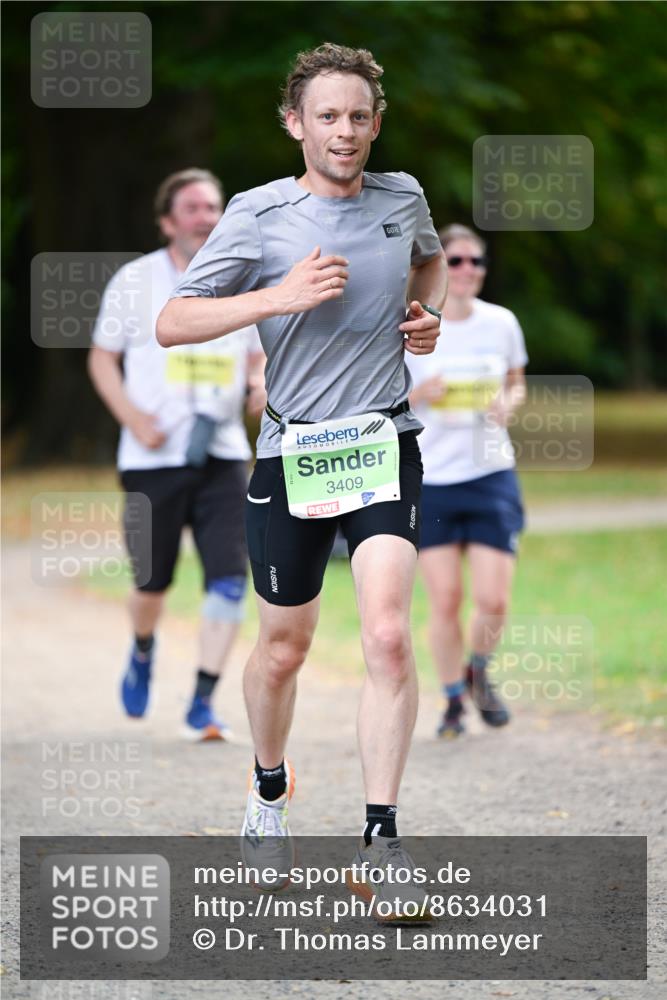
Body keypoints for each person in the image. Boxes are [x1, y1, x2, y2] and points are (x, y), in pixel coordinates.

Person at [157, 44, 447, 910]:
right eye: (327, 115)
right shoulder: (255, 215)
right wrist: (273, 299)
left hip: (382, 441)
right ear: (296, 124)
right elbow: (174, 322)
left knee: (389, 636)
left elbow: (427, 263)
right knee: (284, 647)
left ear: (376, 123)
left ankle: (380, 839)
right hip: (293, 455)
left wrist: (424, 315)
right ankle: (268, 786)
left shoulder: (403, 199)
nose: (345, 131)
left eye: (358, 115)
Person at [88, 168, 265, 741]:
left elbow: (257, 359)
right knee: (151, 582)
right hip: (151, 458)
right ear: (168, 221)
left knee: (230, 580)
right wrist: (134, 419)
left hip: (222, 454)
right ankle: (142, 650)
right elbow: (100, 359)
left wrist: (259, 387)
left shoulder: (242, 280)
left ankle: (203, 702)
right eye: (192, 207)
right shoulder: (134, 280)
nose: (205, 216)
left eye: (213, 206)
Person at [406, 224, 527, 739]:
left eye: (476, 262)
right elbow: (379, 399)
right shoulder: (411, 325)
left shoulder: (501, 323)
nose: (467, 270)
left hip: (490, 473)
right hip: (432, 479)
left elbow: (516, 382)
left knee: (494, 600)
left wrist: (509, 403)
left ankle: (478, 670)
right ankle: (453, 699)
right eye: (455, 261)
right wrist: (419, 395)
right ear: (437, 268)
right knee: (446, 600)